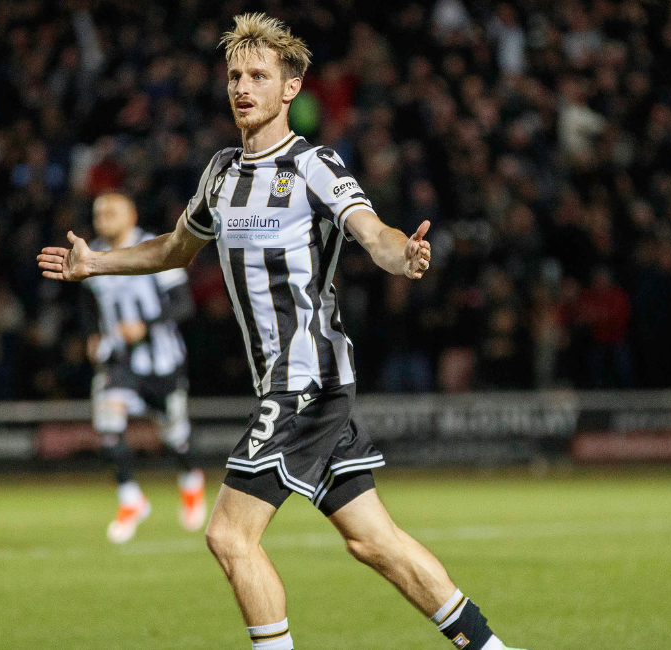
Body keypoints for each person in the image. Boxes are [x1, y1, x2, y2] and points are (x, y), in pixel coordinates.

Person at [39, 14, 523, 650]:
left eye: (258, 76)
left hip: (306, 382)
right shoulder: (221, 172)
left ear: (290, 88)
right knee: (372, 541)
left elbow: (370, 231)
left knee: (228, 535)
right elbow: (176, 249)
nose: (243, 87)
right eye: (235, 75)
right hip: (297, 385)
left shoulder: (315, 164)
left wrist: (402, 253)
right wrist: (98, 261)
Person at [80, 192, 205, 544]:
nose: (103, 215)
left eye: (111, 210)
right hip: (118, 360)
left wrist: (146, 326)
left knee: (175, 435)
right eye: (98, 210)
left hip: (161, 361)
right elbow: (88, 304)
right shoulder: (92, 254)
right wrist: (91, 336)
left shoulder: (156, 248)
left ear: (132, 215)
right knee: (107, 422)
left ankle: (190, 481)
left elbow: (184, 304)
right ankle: (130, 499)